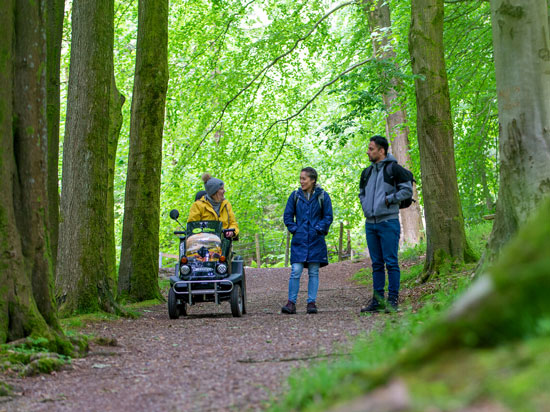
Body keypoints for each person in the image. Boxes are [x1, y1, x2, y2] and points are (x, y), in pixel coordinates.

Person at [359, 135, 412, 313]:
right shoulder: (366, 172)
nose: (368, 151)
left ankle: (393, 300)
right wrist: (366, 207)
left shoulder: (394, 169)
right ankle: (378, 301)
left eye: (371, 149)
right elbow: (362, 194)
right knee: (376, 264)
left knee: (391, 262)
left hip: (388, 222)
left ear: (382, 151)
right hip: (370, 223)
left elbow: (407, 190)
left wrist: (389, 200)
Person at [281, 167, 333, 315]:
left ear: (313, 180)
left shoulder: (323, 196)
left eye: (304, 178)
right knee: (295, 271)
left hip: (316, 240)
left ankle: (311, 303)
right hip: (300, 240)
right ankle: (291, 303)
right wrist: (295, 230)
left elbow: (328, 217)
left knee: (314, 271)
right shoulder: (295, 196)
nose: (301, 181)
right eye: (301, 178)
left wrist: (318, 229)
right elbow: (287, 216)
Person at [188, 174, 239, 239]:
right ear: (213, 192)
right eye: (221, 189)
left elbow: (233, 223)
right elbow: (192, 226)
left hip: (224, 243)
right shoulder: (198, 206)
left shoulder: (226, 204)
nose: (224, 191)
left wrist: (232, 231)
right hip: (205, 244)